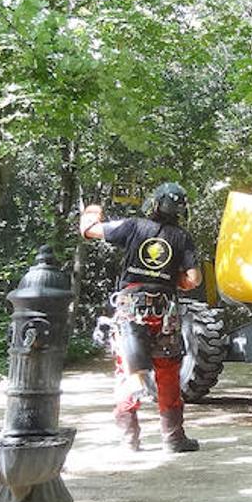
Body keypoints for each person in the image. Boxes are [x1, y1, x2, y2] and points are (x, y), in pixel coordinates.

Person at [80, 182, 203, 453]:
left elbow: (88, 231)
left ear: (155, 204)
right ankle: (173, 438)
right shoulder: (182, 237)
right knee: (168, 372)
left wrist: (92, 211)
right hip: (165, 311)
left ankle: (129, 439)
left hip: (131, 309)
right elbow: (193, 279)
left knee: (127, 371)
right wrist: (173, 279)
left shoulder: (133, 226)